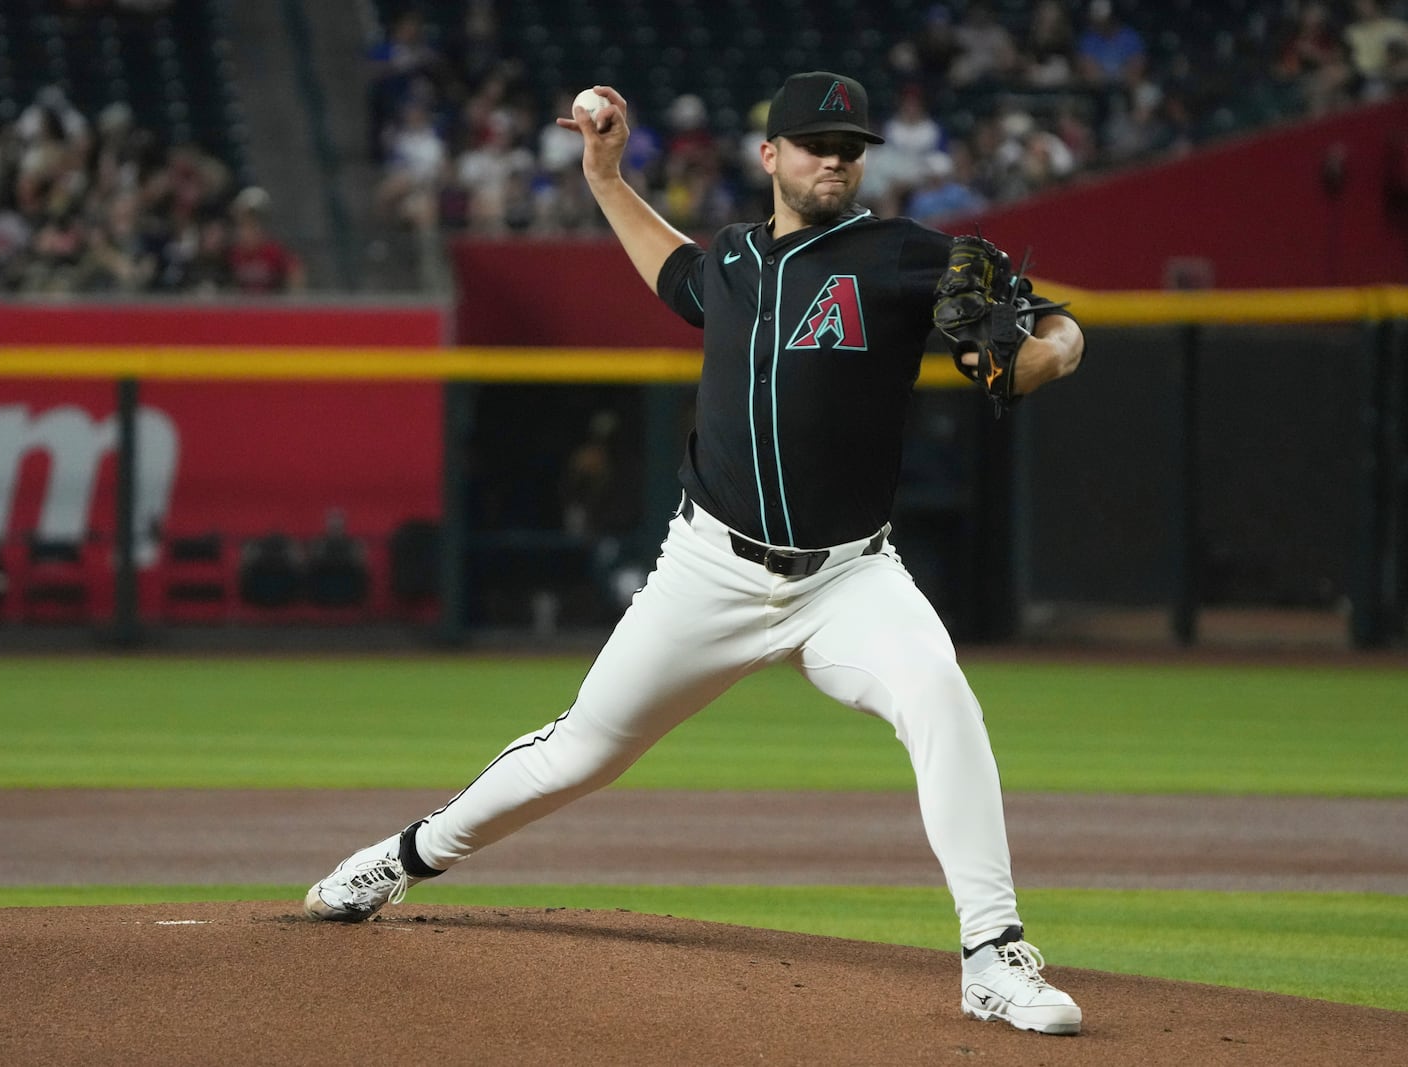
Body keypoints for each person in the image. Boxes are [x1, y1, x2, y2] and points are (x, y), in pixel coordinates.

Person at [304, 70, 1086, 1037]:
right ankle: (405, 855)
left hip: (849, 577)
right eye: (815, 143)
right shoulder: (734, 262)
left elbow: (1056, 328)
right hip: (709, 569)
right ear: (771, 156)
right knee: (580, 752)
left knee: (939, 694)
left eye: (850, 146)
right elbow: (669, 267)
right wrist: (605, 176)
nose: (835, 158)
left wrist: (1044, 354)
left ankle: (992, 952)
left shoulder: (906, 256)